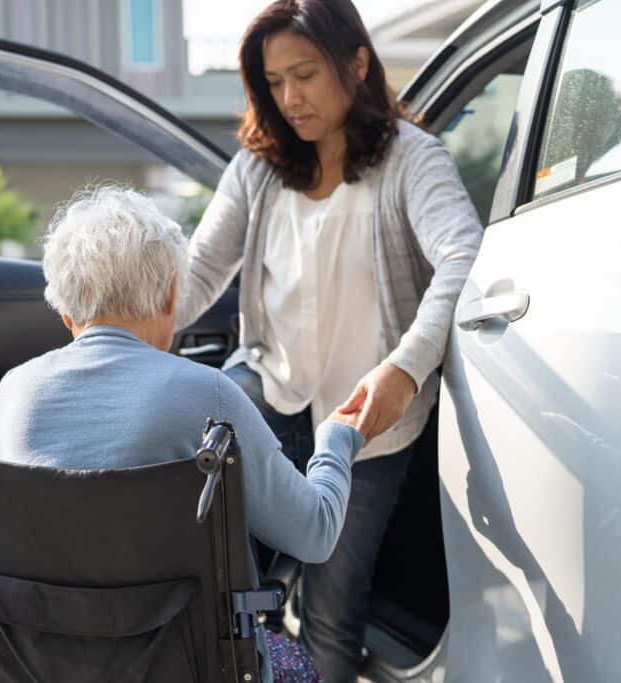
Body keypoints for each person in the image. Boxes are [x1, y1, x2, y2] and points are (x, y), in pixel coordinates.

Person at [174, 1, 484, 680]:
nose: (290, 98)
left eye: (305, 74)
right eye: (274, 82)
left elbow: (464, 257)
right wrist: (119, 331)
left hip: (367, 424)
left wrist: (404, 370)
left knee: (331, 607)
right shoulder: (257, 169)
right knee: (216, 579)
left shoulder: (412, 160)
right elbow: (196, 273)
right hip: (271, 394)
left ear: (357, 62)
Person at [0, 186, 365, 683]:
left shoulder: (15, 394)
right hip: (189, 667)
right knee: (295, 664)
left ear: (66, 313)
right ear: (169, 294)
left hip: (36, 666)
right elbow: (314, 534)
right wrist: (338, 438)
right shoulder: (209, 395)